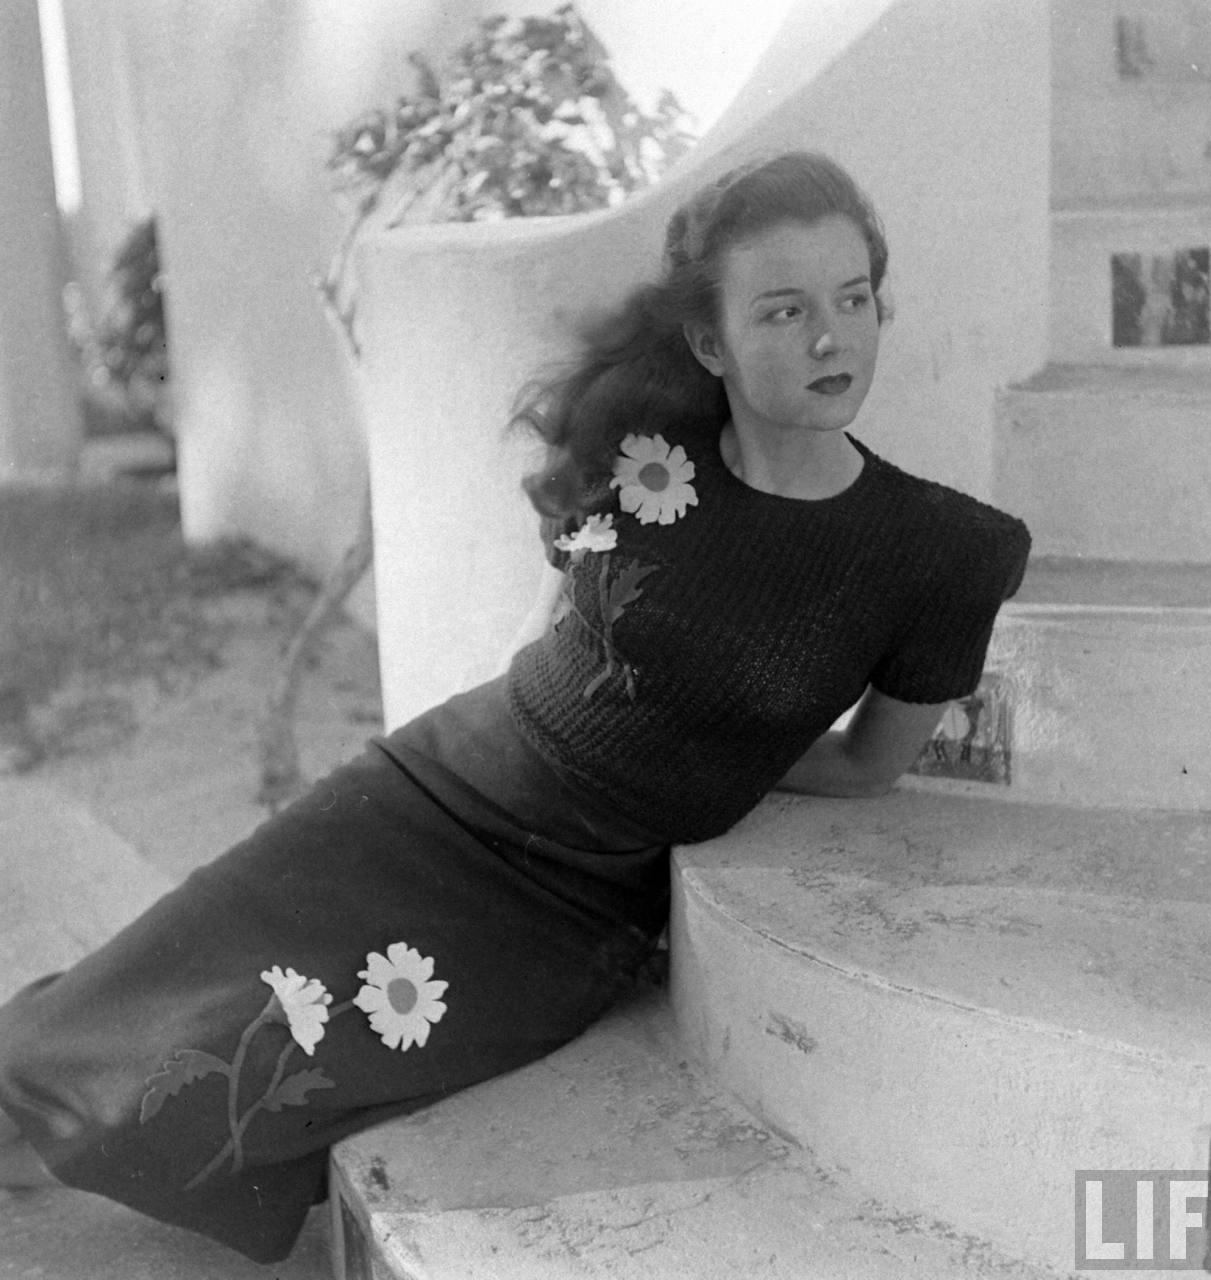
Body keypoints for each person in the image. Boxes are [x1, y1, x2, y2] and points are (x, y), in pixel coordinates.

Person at [0, 150, 1030, 1263]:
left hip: (567, 904)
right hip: (436, 785)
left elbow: (868, 765)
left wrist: (714, 760)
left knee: (254, 1050)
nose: (832, 339)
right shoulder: (644, 451)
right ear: (710, 342)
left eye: (853, 299)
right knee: (153, 975)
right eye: (783, 311)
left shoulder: (942, 550)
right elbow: (546, 633)